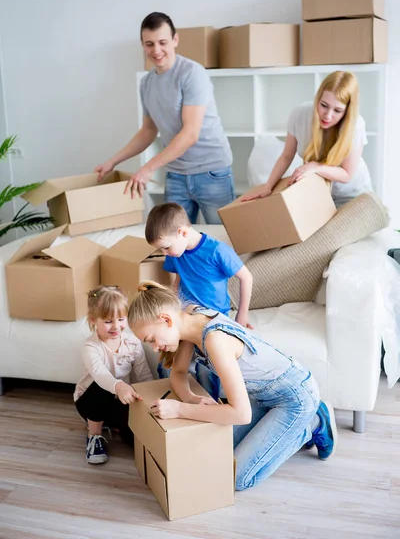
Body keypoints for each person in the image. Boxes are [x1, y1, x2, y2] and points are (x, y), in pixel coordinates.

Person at [127, 281, 338, 491]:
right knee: (218, 453)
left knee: (237, 478)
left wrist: (180, 409)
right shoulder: (188, 318)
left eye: (152, 339)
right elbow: (179, 374)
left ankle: (313, 423)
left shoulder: (214, 340)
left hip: (295, 397)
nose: (154, 348)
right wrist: (192, 399)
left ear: (165, 320)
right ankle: (298, 424)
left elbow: (241, 414)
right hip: (262, 397)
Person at [95, 11, 234, 224]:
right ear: (142, 44)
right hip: (176, 174)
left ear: (175, 40)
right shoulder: (147, 83)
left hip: (211, 172)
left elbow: (190, 134)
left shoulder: (192, 73)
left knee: (224, 238)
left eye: (162, 42)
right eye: (149, 44)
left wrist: (148, 168)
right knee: (173, 239)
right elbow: (148, 131)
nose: (157, 50)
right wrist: (112, 162)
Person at [145, 201, 253, 399]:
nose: (165, 253)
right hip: (185, 318)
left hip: (213, 321)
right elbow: (177, 280)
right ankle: (177, 406)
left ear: (183, 233)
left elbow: (246, 277)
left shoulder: (217, 250)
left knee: (209, 371)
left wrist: (242, 315)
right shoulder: (175, 251)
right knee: (167, 365)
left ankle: (210, 410)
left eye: (166, 248)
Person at [243, 71, 372, 208]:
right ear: (318, 98)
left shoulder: (356, 125)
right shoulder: (300, 114)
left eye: (337, 110)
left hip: (351, 196)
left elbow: (347, 174)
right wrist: (268, 186)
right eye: (324, 105)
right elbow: (287, 156)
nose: (327, 116)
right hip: (316, 192)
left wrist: (315, 167)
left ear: (347, 111)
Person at [74, 285, 152, 465]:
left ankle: (114, 425)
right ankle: (94, 435)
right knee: (102, 388)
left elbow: (144, 375)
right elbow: (100, 374)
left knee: (136, 441)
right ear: (93, 320)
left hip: (120, 400)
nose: (116, 326)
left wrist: (148, 401)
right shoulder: (90, 347)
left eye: (121, 319)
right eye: (108, 321)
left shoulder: (132, 342)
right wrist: (118, 386)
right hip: (90, 401)